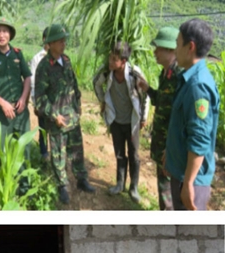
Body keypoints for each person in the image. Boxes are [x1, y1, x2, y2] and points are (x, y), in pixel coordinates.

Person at [35, 24, 96, 204]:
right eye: (60, 41)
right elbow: (39, 98)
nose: (64, 43)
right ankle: (62, 185)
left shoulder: (67, 60)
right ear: (51, 43)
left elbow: (74, 85)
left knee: (77, 150)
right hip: (58, 120)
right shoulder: (44, 67)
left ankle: (81, 179)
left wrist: (78, 105)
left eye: (64, 40)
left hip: (72, 117)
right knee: (58, 154)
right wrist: (54, 115)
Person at [165, 19, 220, 211]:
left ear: (190, 47)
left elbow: (199, 140)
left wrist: (188, 183)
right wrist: (171, 154)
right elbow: (183, 127)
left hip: (190, 181)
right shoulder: (189, 78)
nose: (175, 49)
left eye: (178, 44)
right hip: (182, 173)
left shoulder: (198, 87)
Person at [92, 41, 149, 202]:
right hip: (116, 121)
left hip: (132, 123)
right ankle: (119, 184)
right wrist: (103, 100)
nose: (110, 61)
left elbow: (145, 95)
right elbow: (96, 84)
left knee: (134, 155)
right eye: (110, 58)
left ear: (123, 61)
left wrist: (143, 117)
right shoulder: (107, 72)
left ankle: (134, 188)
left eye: (114, 59)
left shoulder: (134, 74)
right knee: (119, 154)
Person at [137, 27, 181, 210]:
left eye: (158, 48)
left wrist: (170, 149)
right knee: (164, 187)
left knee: (170, 191)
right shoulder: (165, 74)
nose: (155, 52)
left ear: (171, 51)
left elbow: (180, 118)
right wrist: (148, 89)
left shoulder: (179, 77)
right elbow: (162, 103)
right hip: (162, 143)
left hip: (169, 147)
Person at [0, 18, 32, 147]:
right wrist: (3, 103)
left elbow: (27, 77)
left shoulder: (18, 54)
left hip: (20, 109)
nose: (2, 35)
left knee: (24, 149)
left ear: (10, 34)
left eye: (5, 31)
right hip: (1, 112)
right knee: (2, 151)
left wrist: (23, 98)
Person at [29, 27, 50, 159]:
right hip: (42, 101)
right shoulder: (37, 58)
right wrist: (35, 102)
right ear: (44, 40)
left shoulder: (61, 58)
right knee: (43, 128)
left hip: (56, 102)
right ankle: (44, 154)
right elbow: (32, 81)